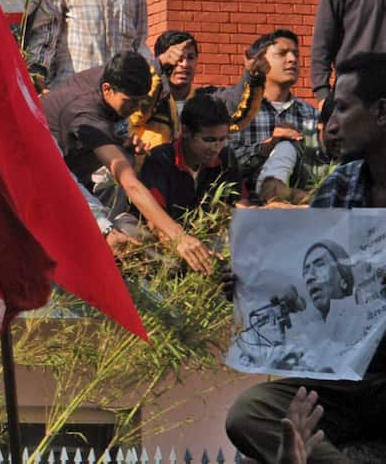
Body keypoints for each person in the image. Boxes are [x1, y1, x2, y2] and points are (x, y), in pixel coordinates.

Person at [226, 52, 386, 463]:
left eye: (345, 108)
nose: (332, 123)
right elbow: (305, 279)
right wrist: (251, 284)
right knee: (251, 414)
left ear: (382, 112)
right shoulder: (341, 185)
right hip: (348, 377)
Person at [41, 51, 215, 273]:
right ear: (107, 89)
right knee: (114, 175)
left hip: (72, 147)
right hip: (43, 165)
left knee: (128, 157)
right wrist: (178, 235)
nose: (136, 109)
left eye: (142, 100)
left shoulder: (115, 75)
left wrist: (121, 140)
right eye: (131, 102)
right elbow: (129, 182)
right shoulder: (86, 113)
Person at [128, 30, 266, 156]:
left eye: (191, 57)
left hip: (197, 179)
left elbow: (237, 110)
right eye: (178, 58)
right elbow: (137, 113)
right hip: (149, 175)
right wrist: (158, 65)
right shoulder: (148, 99)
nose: (185, 64)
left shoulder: (206, 100)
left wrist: (253, 76)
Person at [229, 30, 322, 193]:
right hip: (244, 209)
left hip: (298, 209)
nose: (292, 60)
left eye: (296, 54)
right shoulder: (240, 112)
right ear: (260, 61)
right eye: (282, 53)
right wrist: (265, 148)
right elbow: (224, 165)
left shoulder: (312, 115)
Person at [136, 92, 245, 224]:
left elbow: (240, 203)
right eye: (209, 140)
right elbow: (153, 219)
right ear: (186, 131)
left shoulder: (226, 158)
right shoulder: (160, 159)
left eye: (222, 140)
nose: (216, 147)